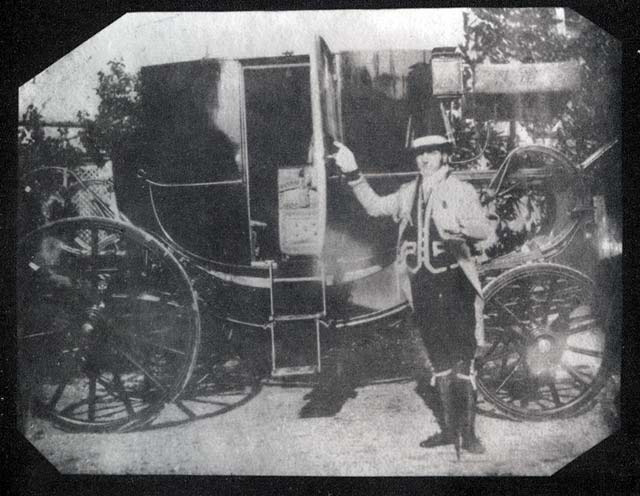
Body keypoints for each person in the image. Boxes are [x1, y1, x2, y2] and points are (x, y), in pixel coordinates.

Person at [332, 135, 496, 456]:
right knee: (439, 360)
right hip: (422, 286)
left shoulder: (460, 190)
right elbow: (375, 206)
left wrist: (460, 228)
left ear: (444, 155)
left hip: (454, 285)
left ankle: (471, 435)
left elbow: (483, 230)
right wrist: (353, 172)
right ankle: (450, 431)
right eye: (420, 154)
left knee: (463, 360)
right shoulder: (410, 192)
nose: (424, 159)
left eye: (431, 153)